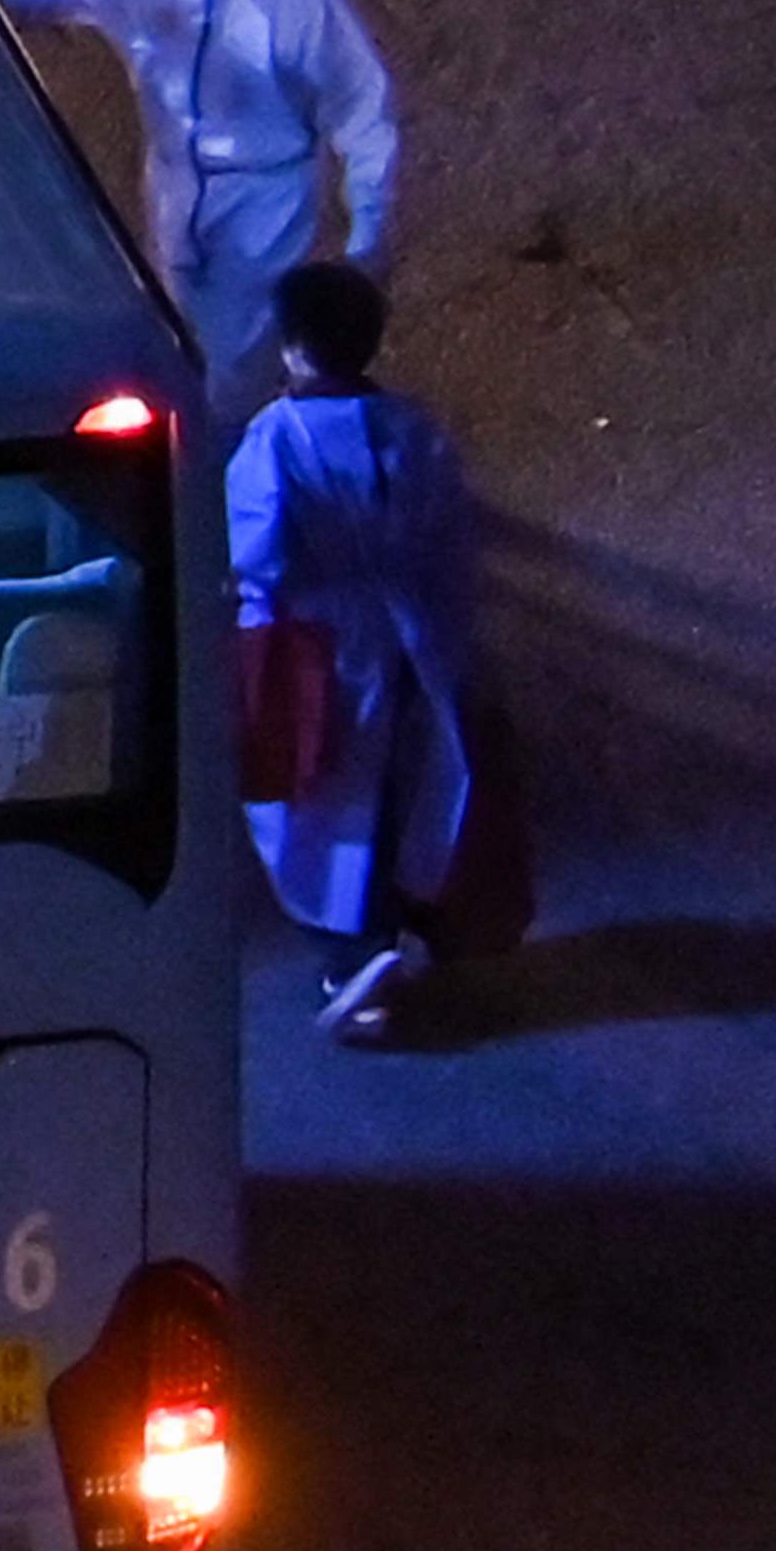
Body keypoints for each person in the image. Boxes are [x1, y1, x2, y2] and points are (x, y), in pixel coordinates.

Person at [0, 0, 399, 385]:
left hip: (264, 198)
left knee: (235, 363)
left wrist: (369, 239)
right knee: (172, 331)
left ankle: (226, 451)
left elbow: (365, 117)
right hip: (173, 179)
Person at [228, 262, 478, 1040]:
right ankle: (400, 937)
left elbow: (258, 553)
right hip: (416, 630)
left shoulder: (277, 436)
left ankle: (352, 965)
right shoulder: (416, 426)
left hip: (317, 640)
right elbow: (450, 539)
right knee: (411, 785)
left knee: (319, 799)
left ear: (294, 345)